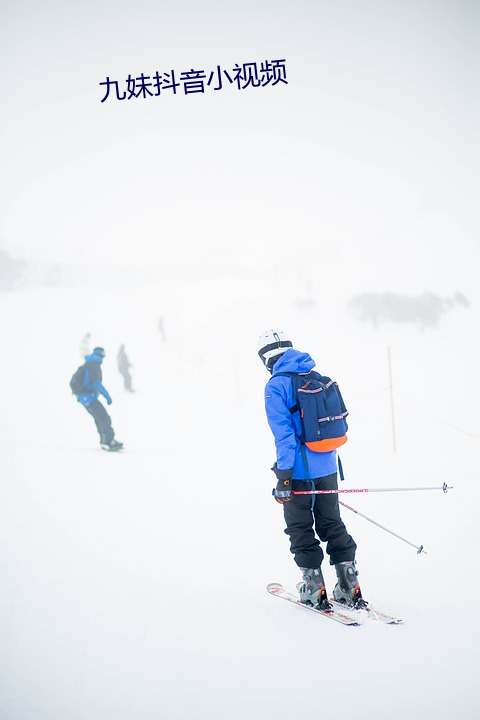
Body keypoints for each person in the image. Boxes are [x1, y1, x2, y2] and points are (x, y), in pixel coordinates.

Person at [257, 328, 366, 610]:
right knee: (332, 523)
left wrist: (284, 477)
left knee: (300, 527)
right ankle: (348, 585)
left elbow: (284, 436)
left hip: (298, 472)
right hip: (328, 465)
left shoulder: (276, 386)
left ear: (266, 358)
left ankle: (313, 587)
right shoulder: (315, 377)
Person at [76, 346, 123, 451]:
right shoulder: (94, 365)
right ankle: (108, 441)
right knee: (104, 418)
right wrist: (107, 396)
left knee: (100, 418)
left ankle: (104, 440)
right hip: (89, 398)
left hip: (85, 398)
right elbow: (96, 383)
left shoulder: (89, 363)